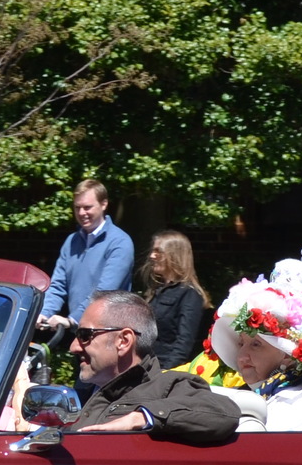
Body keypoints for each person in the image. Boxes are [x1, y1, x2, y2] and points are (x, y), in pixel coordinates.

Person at [210, 245, 302, 431]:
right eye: (241, 343)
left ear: (287, 355)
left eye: (256, 344)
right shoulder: (247, 396)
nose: (242, 356)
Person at [56, 291, 237, 442]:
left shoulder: (166, 385)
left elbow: (223, 411)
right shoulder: (82, 393)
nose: (74, 347)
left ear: (124, 341)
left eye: (85, 335)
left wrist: (142, 417)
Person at [39, 180, 136, 329]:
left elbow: (104, 292)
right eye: (77, 207)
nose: (81, 213)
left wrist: (72, 320)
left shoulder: (120, 242)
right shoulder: (72, 241)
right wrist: (44, 313)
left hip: (109, 333)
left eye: (87, 207)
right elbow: (58, 285)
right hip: (81, 332)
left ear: (104, 204)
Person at [141, 231, 211, 370]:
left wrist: (165, 374)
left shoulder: (189, 294)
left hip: (167, 371)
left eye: (158, 252)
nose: (152, 256)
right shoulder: (157, 291)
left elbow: (184, 342)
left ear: (174, 255)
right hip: (147, 366)